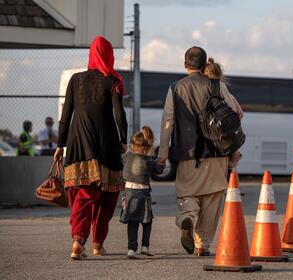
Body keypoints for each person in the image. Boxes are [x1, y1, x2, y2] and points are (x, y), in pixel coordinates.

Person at [157, 47, 239, 257]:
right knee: (212, 198)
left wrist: (163, 153)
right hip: (216, 152)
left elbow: (168, 121)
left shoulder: (175, 88)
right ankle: (203, 244)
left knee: (188, 192)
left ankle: (188, 217)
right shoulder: (216, 84)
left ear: (185, 65)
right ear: (204, 65)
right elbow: (236, 112)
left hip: (187, 153)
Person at [53, 36, 128, 260]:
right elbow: (119, 115)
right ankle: (96, 243)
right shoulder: (112, 80)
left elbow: (65, 116)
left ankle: (78, 239)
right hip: (106, 143)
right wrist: (123, 140)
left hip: (78, 142)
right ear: (109, 55)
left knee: (83, 193)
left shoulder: (75, 80)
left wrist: (60, 144)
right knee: (107, 196)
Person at [119, 126, 163, 259]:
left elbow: (120, 159)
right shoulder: (149, 161)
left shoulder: (126, 156)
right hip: (143, 194)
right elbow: (159, 171)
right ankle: (145, 247)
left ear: (133, 145)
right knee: (146, 221)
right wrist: (161, 163)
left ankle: (131, 249)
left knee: (133, 222)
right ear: (147, 146)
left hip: (129, 193)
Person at [203, 57, 243, 170]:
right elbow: (233, 107)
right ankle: (233, 153)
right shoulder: (221, 85)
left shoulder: (211, 85)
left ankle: (233, 154)